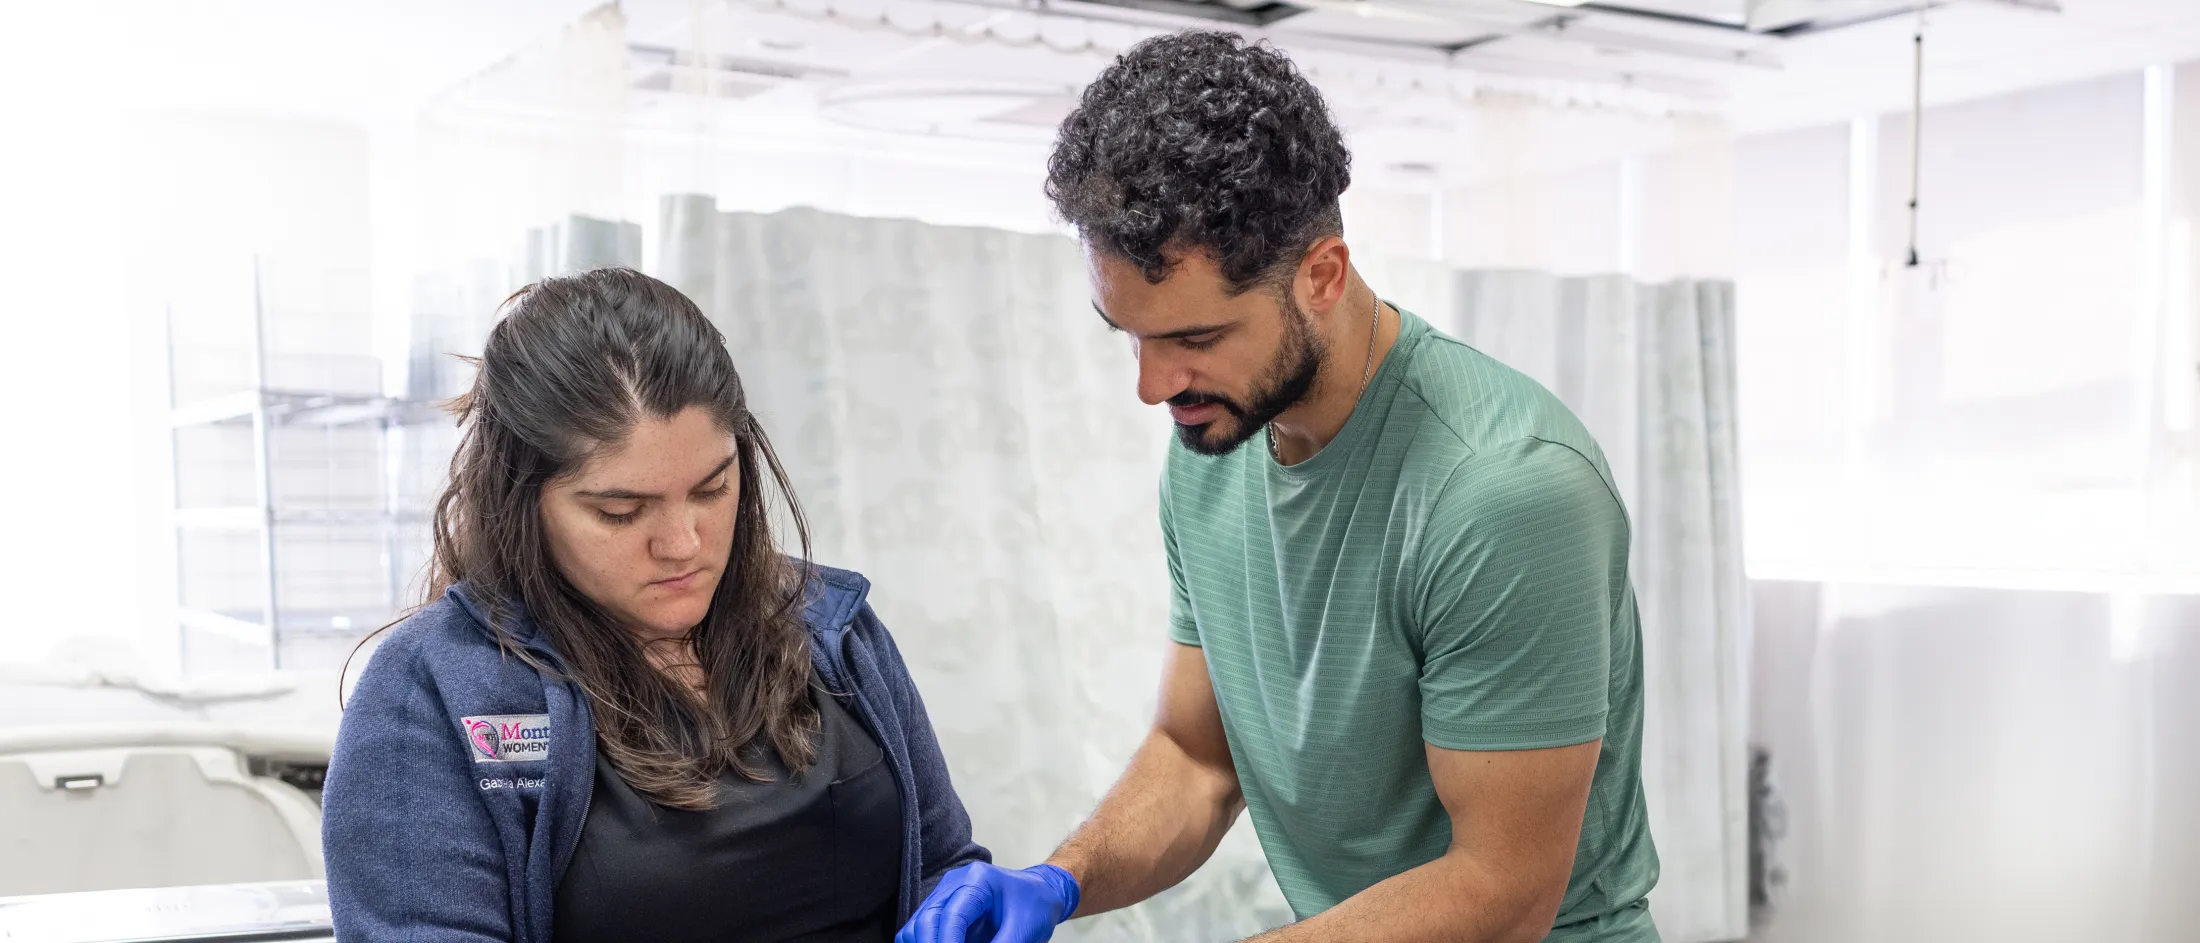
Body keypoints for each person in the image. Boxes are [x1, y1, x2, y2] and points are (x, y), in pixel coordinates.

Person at [900, 30, 1659, 943]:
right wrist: (1060, 880)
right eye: (1128, 336)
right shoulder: (1211, 449)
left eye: (1195, 339)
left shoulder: (1500, 487)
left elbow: (1500, 889)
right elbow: (1194, 757)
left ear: (1322, 276)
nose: (1153, 385)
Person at [324, 267, 988, 943]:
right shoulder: (432, 693)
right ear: (522, 503)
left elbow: (939, 863)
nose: (682, 544)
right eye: (621, 511)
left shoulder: (832, 629)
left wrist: (962, 897)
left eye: (711, 489)